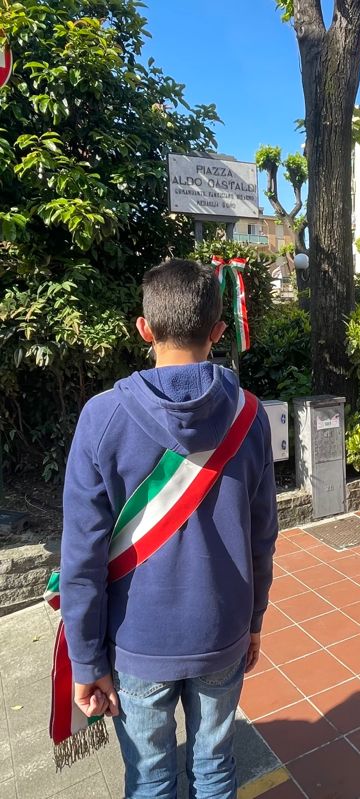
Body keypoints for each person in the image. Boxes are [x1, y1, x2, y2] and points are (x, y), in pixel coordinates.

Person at [59, 259, 279, 798]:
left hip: (136, 639)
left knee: (151, 778)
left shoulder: (102, 417)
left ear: (144, 328)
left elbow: (82, 557)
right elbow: (263, 536)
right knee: (215, 767)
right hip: (222, 631)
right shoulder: (250, 416)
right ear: (219, 332)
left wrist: (86, 659)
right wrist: (254, 620)